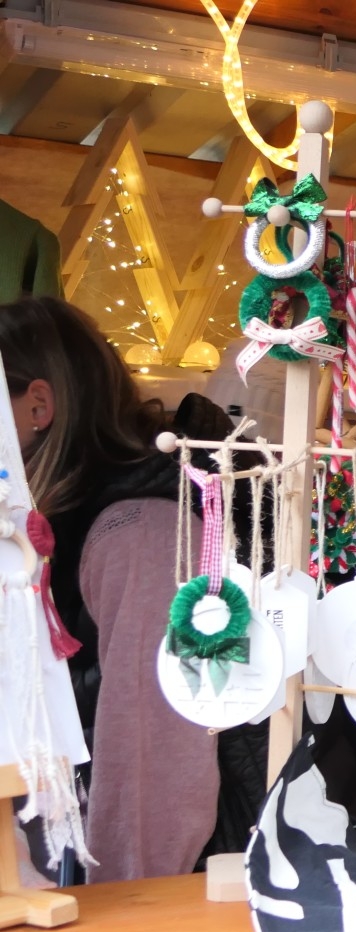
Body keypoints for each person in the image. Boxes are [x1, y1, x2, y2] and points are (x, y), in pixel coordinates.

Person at [2, 296, 264, 882]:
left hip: (146, 882)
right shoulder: (57, 520)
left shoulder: (137, 530)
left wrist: (123, 901)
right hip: (65, 859)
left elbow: (156, 750)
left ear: (38, 405)